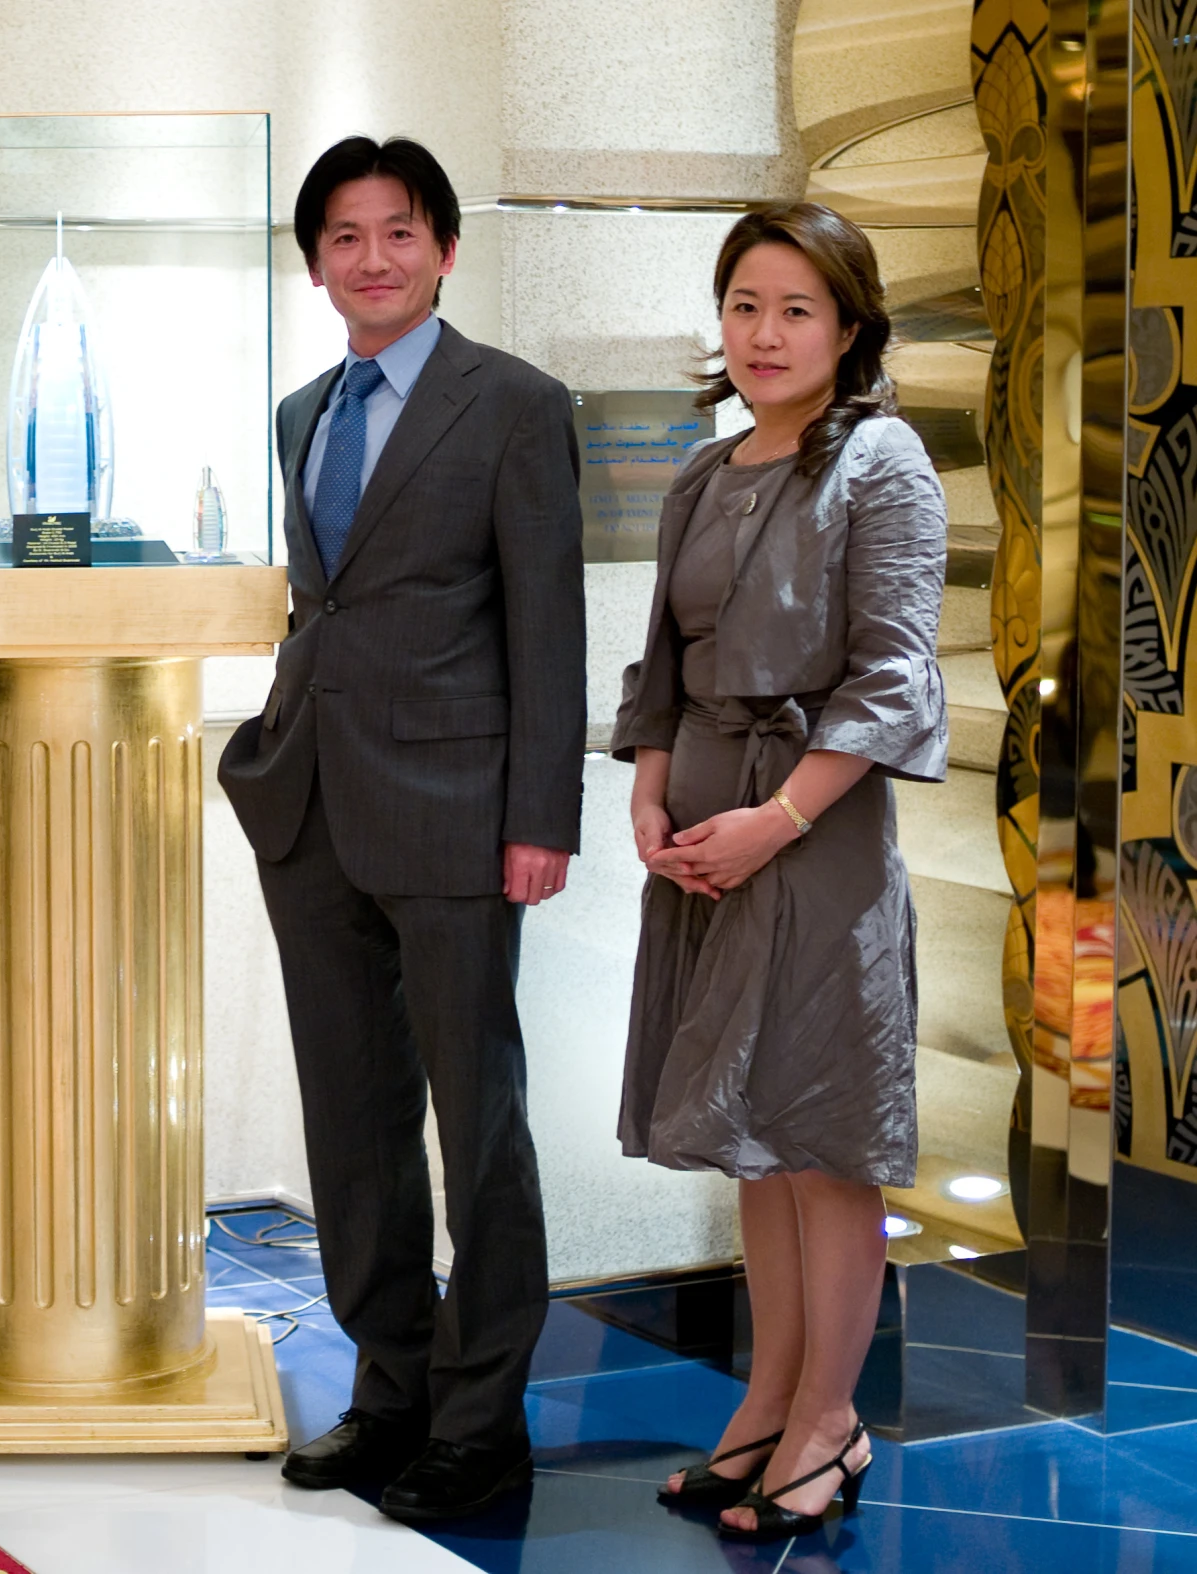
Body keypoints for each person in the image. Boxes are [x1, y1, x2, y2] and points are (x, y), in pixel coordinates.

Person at [216, 136, 584, 1525]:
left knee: (477, 1119)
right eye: (344, 237)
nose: (371, 257)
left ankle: (485, 1421)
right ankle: (392, 1387)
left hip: (460, 815)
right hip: (313, 807)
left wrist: (540, 814)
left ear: (440, 249)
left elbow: (548, 620)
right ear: (313, 261)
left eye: (398, 232)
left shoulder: (514, 403)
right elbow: (337, 603)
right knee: (351, 1115)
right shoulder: (303, 408)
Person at [612, 202, 945, 1543]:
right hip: (704, 847)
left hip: (816, 847)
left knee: (823, 1133)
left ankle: (830, 1419)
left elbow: (894, 677)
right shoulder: (706, 471)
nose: (764, 332)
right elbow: (662, 664)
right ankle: (765, 1401)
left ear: (850, 326)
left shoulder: (883, 460)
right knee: (752, 1141)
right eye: (745, 304)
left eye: (796, 308)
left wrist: (774, 820)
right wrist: (648, 789)